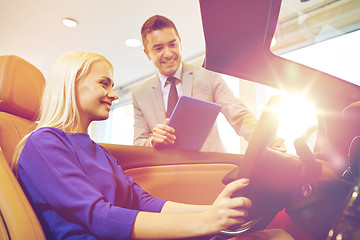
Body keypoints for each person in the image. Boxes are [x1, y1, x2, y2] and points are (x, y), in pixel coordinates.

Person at [12, 51, 292, 239]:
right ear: (72, 84)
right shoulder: (43, 143)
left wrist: (211, 211)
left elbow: (142, 201)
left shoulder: (98, 151)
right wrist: (206, 222)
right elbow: (98, 216)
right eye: (104, 84)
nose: (112, 94)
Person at [132, 15, 283, 152]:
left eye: (173, 44)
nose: (168, 53)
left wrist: (264, 138)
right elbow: (138, 142)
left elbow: (238, 115)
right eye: (158, 48)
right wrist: (153, 141)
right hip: (166, 173)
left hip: (208, 167)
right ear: (147, 53)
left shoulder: (207, 76)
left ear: (180, 43)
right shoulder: (139, 95)